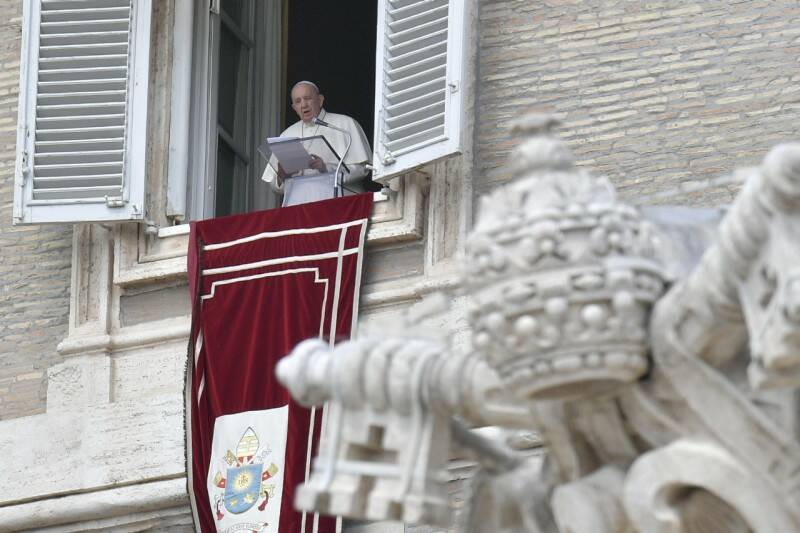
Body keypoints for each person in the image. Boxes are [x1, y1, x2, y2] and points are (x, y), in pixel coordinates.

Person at [261, 81, 372, 206]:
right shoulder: (286, 135)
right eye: (298, 101)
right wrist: (281, 177)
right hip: (299, 209)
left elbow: (363, 169)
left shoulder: (344, 125)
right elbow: (275, 187)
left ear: (320, 100)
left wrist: (326, 168)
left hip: (340, 206)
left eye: (307, 98)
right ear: (294, 108)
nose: (303, 105)